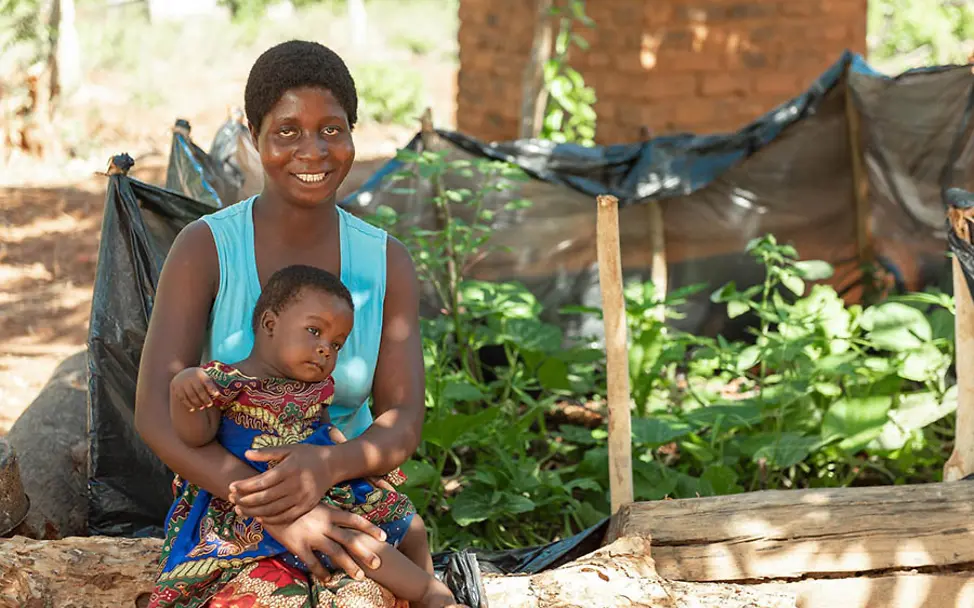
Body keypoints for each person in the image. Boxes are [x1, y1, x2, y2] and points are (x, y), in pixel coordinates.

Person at [135, 39, 436, 607]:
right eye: (287, 131)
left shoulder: (385, 261)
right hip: (227, 489)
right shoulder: (206, 248)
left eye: (332, 129)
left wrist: (328, 466)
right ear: (255, 137)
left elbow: (403, 417)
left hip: (346, 482)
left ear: (352, 133)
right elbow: (154, 412)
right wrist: (278, 510)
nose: (313, 151)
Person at [149, 264, 458, 607]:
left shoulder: (314, 388)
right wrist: (185, 394)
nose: (326, 349)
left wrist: (355, 462)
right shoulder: (223, 381)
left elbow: (323, 430)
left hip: (318, 487)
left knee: (411, 524)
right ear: (270, 324)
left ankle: (420, 589)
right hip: (254, 502)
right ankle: (433, 596)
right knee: (354, 541)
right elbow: (196, 437)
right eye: (315, 331)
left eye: (337, 344)